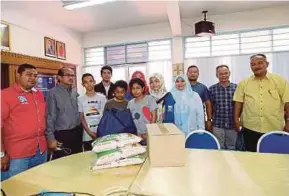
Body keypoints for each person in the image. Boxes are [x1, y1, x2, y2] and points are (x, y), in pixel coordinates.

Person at [234, 54, 289, 152]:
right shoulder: (244, 83)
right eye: (253, 64)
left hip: (274, 127)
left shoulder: (280, 81)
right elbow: (238, 102)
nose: (257, 66)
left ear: (267, 64)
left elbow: (287, 102)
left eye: (260, 63)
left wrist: (288, 121)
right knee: (252, 157)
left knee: (274, 158)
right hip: (250, 128)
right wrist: (236, 119)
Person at [1, 64, 47, 181]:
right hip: (18, 153)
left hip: (40, 149)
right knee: (17, 187)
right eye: (28, 74)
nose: (33, 78)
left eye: (35, 76)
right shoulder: (5, 95)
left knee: (39, 183)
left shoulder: (38, 94)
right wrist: (1, 154)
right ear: (18, 75)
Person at [46, 67, 82, 159]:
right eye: (68, 75)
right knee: (64, 164)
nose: (71, 78)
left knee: (78, 161)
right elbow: (50, 117)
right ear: (59, 77)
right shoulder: (53, 93)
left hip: (77, 132)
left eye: (72, 75)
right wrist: (50, 138)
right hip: (63, 135)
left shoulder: (74, 92)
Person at [209, 65, 237, 150]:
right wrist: (209, 120)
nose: (224, 75)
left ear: (229, 73)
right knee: (219, 147)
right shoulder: (212, 89)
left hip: (232, 124)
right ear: (217, 75)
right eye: (221, 74)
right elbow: (210, 106)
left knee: (231, 147)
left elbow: (239, 106)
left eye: (226, 73)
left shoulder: (236, 88)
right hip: (217, 124)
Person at [78, 73, 107, 151]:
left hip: (101, 134)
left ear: (94, 82)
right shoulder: (80, 99)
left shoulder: (102, 98)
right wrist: (90, 132)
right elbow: (81, 117)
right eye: (86, 82)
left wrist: (101, 131)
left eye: (90, 81)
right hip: (87, 135)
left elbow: (105, 115)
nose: (89, 84)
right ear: (83, 84)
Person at [127, 78, 158, 143]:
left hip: (148, 134)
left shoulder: (149, 99)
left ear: (143, 88)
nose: (135, 91)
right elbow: (129, 121)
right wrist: (135, 134)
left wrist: (149, 133)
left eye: (138, 88)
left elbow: (154, 116)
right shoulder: (130, 103)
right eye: (133, 88)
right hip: (135, 136)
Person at [187, 65, 213, 131]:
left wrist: (209, 120)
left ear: (198, 74)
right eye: (190, 72)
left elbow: (208, 104)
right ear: (187, 74)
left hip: (199, 118)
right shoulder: (182, 87)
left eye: (195, 72)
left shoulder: (202, 87)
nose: (193, 74)